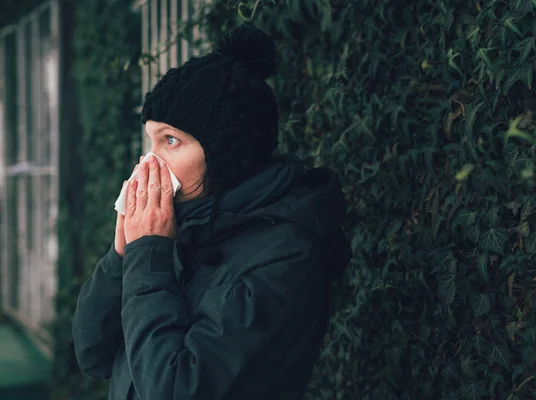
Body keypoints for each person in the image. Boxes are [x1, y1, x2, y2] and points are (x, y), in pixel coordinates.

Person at [71, 23, 352, 400]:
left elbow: (176, 390)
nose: (149, 161)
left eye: (171, 140)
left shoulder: (285, 256)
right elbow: (92, 354)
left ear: (223, 156)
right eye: (150, 141)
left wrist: (148, 257)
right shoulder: (178, 225)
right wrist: (121, 258)